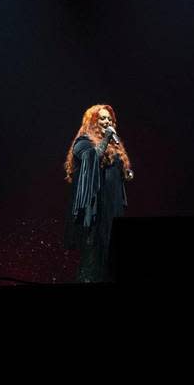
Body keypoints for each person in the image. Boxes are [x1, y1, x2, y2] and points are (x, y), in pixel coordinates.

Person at [63, 104, 134, 282]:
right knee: (92, 255)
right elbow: (93, 157)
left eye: (109, 119)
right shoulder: (83, 142)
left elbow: (117, 170)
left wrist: (126, 172)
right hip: (94, 209)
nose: (107, 122)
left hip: (112, 207)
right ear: (93, 122)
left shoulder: (114, 146)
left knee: (110, 257)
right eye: (102, 118)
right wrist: (108, 136)